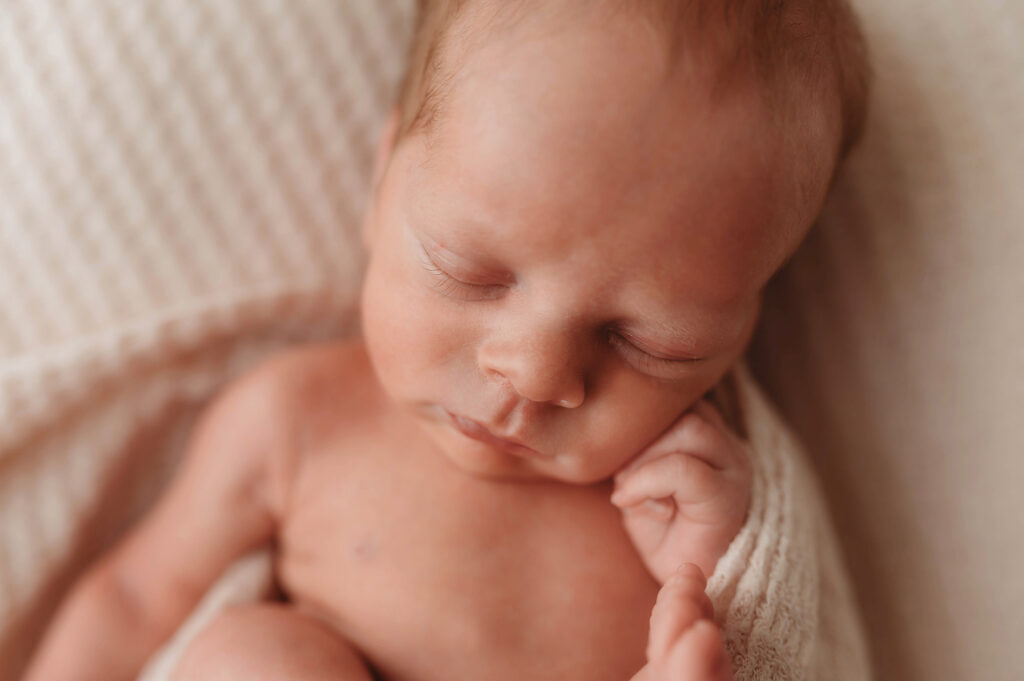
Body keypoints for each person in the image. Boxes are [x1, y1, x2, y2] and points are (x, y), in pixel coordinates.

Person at [23, 1, 869, 679]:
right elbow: (134, 597)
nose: (535, 373)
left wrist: (725, 591)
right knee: (255, 658)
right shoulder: (297, 417)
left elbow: (805, 645)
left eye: (648, 340)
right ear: (386, 173)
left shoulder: (697, 506)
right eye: (472, 272)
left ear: (742, 324)